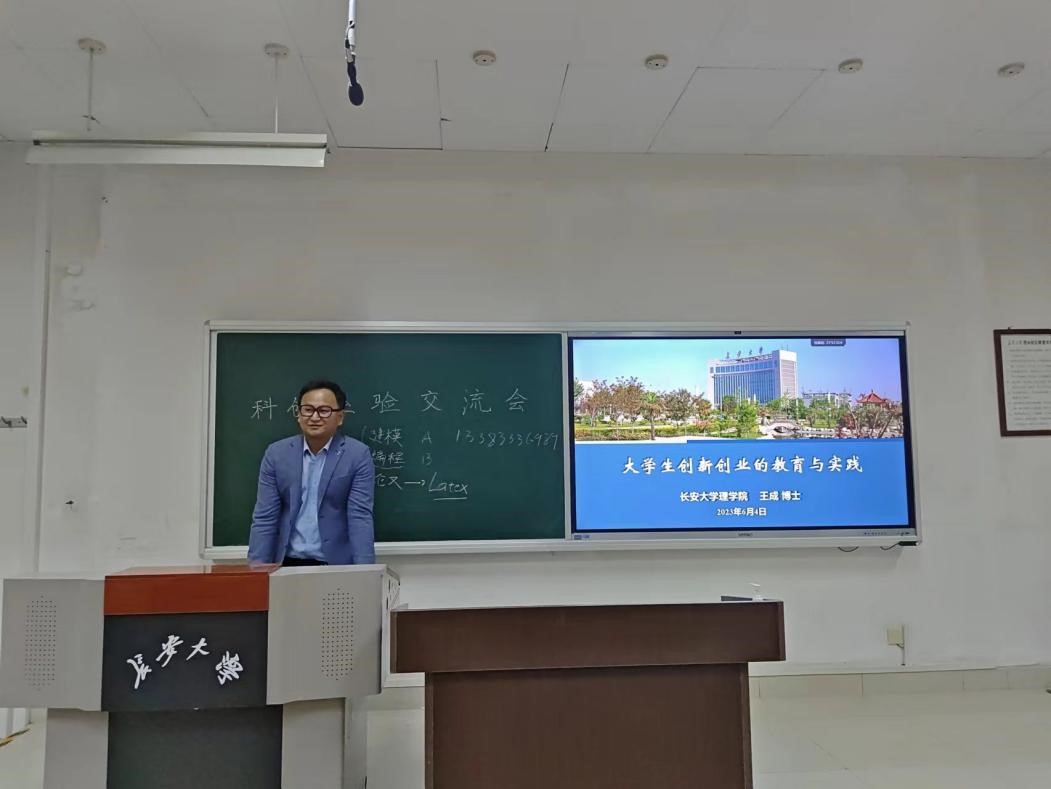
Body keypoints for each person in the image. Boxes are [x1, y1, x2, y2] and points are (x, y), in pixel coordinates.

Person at [248, 379, 375, 566]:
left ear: (340, 417)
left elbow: (360, 517)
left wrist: (365, 572)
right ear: (298, 414)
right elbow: (265, 517)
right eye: (307, 410)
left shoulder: (357, 455)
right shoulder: (276, 454)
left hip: (335, 565)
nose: (314, 417)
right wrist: (257, 570)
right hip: (285, 563)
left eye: (324, 411)